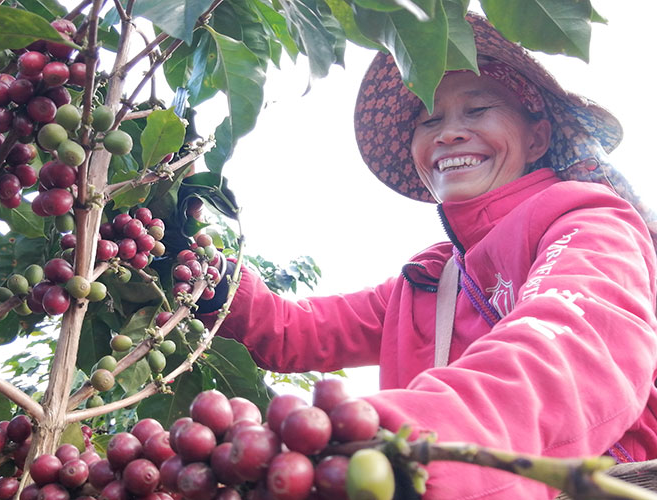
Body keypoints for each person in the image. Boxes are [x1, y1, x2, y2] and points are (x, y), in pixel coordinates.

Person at [200, 13, 657, 499]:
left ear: (537, 138)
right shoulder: (430, 280)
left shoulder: (588, 221)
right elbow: (293, 328)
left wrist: (418, 438)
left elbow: (573, 345)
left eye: (478, 109)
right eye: (429, 120)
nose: (449, 133)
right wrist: (206, 274)